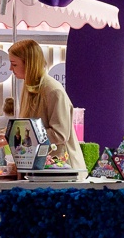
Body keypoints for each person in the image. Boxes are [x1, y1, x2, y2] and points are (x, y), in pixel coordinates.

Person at [8, 39, 76, 168]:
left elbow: (60, 134)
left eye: (14, 64)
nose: (10, 68)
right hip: (38, 166)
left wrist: (22, 135)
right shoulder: (28, 86)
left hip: (58, 168)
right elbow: (25, 124)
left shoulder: (53, 91)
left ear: (29, 64)